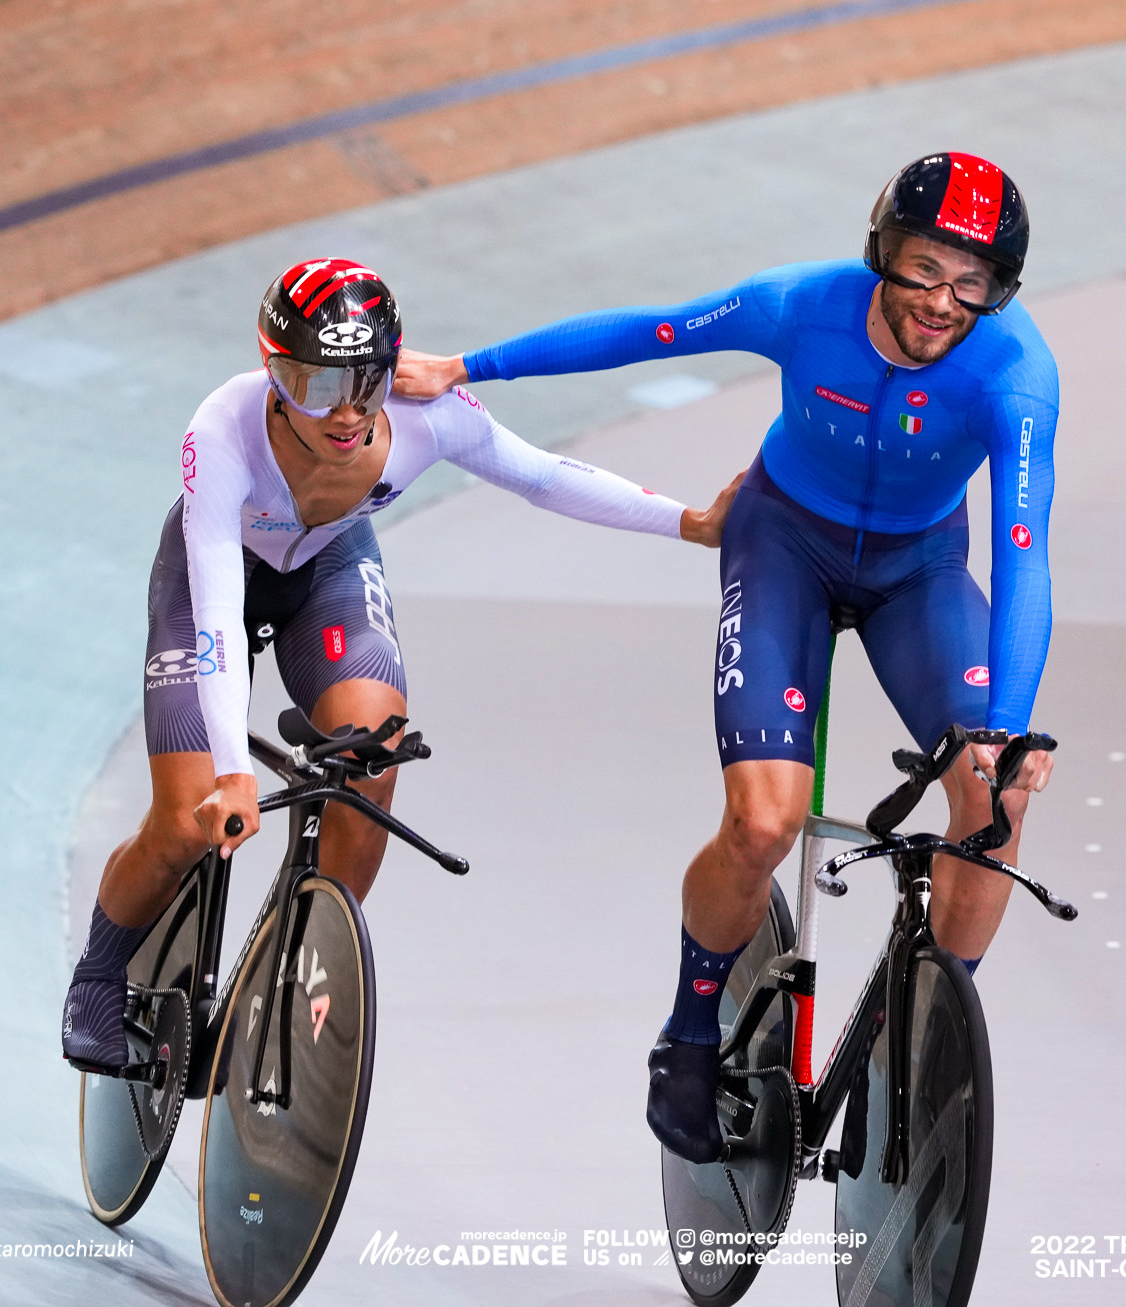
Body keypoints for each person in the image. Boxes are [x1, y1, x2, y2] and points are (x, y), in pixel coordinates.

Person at [396, 153, 1060, 1161]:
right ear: (883, 250)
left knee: (996, 795)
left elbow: (1021, 551)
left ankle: (934, 1044)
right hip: (783, 539)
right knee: (762, 820)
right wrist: (468, 368)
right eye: (924, 268)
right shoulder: (801, 305)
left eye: (972, 285)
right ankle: (691, 1028)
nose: (941, 302)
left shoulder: (1016, 374)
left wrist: (1004, 730)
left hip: (917, 570)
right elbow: (647, 329)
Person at [62, 257, 737, 1070]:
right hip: (217, 580)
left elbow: (546, 477)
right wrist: (234, 772)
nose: (345, 413)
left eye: (368, 382)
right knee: (183, 821)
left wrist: (688, 521)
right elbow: (214, 616)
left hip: (329, 569)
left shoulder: (430, 415)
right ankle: (98, 977)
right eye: (316, 387)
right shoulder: (222, 427)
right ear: (273, 374)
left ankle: (303, 964)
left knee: (375, 748)